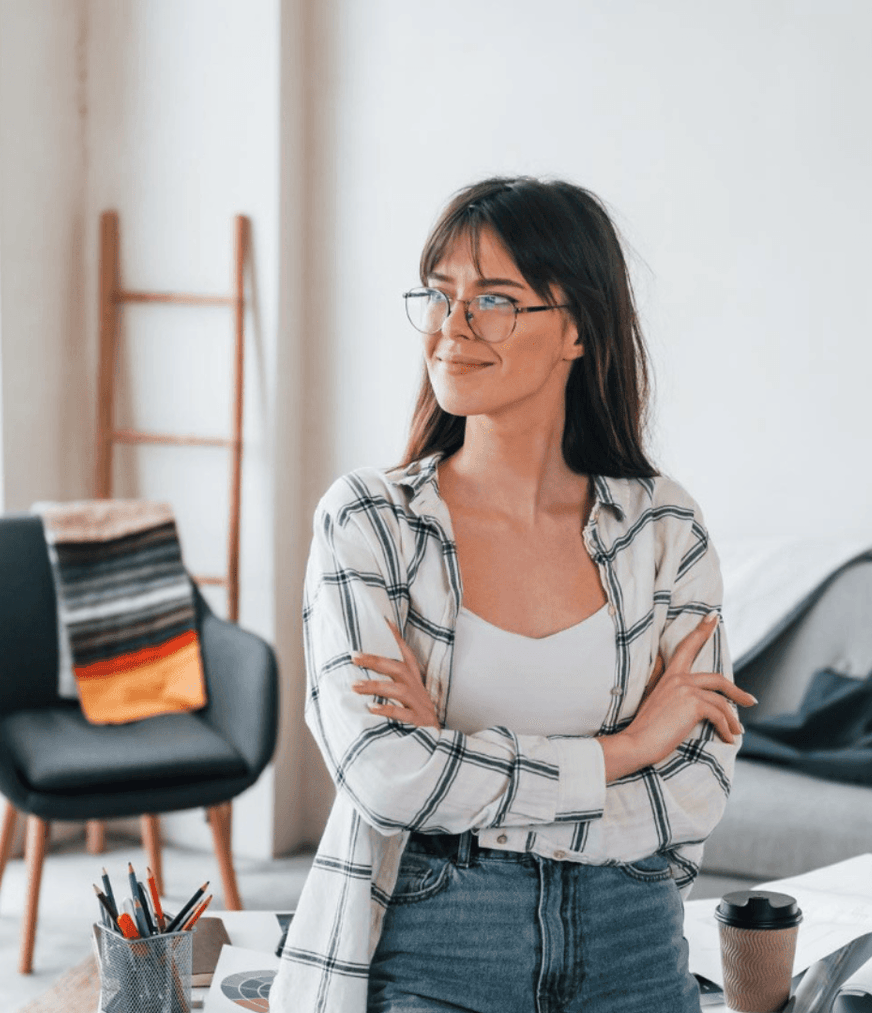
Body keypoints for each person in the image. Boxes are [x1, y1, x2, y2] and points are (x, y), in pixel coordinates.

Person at [275, 176, 757, 1013]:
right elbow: (383, 774)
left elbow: (698, 785)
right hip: (438, 937)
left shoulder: (665, 527)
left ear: (576, 328)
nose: (450, 327)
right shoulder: (369, 522)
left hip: (631, 937)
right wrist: (625, 748)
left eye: (493, 299)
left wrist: (457, 767)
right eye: (438, 294)